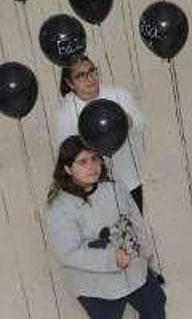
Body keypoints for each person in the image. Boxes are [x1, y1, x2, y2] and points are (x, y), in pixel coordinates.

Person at [47, 136, 192, 319]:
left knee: (154, 303)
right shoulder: (60, 207)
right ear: (67, 169)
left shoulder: (115, 188)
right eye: (82, 162)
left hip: (133, 268)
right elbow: (67, 253)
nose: (92, 166)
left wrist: (146, 252)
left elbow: (135, 220)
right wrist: (109, 259)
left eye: (95, 159)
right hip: (95, 283)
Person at [55, 56, 146, 212]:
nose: (89, 78)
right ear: (70, 83)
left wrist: (126, 121)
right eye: (81, 75)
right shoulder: (65, 114)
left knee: (134, 232)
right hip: (92, 191)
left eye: (92, 71)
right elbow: (67, 154)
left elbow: (141, 125)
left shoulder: (119, 95)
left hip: (129, 182)